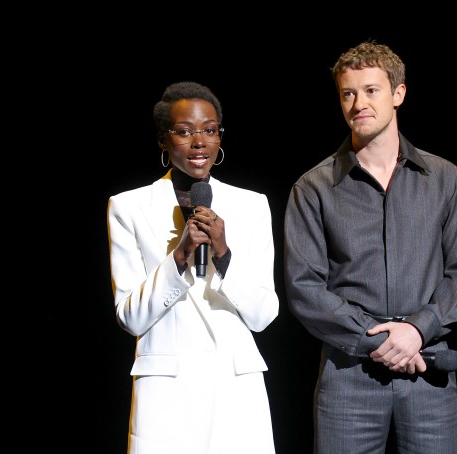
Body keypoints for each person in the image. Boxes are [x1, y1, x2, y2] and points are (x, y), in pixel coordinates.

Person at [283, 40, 457, 453]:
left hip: (428, 369)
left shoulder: (445, 179)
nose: (359, 103)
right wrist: (383, 343)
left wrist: (417, 329)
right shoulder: (313, 187)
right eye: (348, 93)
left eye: (371, 90)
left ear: (398, 93)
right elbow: (304, 287)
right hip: (348, 378)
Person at [107, 81, 279, 453]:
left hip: (236, 390)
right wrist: (180, 256)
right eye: (184, 132)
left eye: (209, 130)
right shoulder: (128, 207)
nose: (199, 141)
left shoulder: (252, 205)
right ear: (163, 141)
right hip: (167, 397)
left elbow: (264, 315)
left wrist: (225, 256)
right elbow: (130, 318)